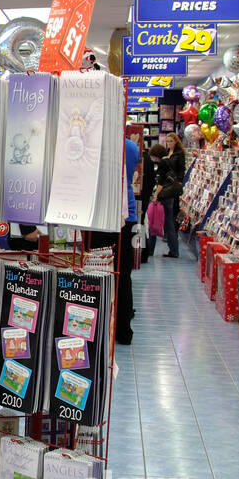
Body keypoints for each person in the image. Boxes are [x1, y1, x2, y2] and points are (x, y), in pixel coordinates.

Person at [89, 138, 138, 345]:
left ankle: (97, 329)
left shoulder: (95, 142)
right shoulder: (130, 146)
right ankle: (123, 330)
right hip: (127, 216)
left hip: (99, 216)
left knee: (96, 272)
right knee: (123, 275)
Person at [150, 142, 182, 258]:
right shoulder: (168, 161)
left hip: (164, 196)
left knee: (161, 222)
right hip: (170, 196)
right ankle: (174, 250)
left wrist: (155, 195)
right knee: (169, 223)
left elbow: (161, 182)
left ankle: (171, 251)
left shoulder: (162, 163)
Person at [140, 140, 157, 261]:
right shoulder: (149, 160)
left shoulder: (141, 160)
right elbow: (152, 180)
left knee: (138, 225)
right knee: (142, 224)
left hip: (137, 197)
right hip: (144, 197)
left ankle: (140, 253)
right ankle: (144, 253)